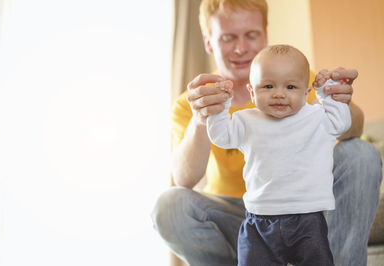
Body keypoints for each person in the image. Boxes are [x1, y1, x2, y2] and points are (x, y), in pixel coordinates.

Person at [152, 1, 383, 265]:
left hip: (305, 212)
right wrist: (201, 118)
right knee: (168, 204)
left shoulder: (296, 79)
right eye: (228, 38)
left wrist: (339, 103)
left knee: (361, 152)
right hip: (247, 216)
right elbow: (183, 179)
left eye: (251, 35)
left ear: (265, 35)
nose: (241, 48)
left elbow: (351, 129)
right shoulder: (196, 102)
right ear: (208, 43)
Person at [207, 44, 350, 265]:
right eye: (268, 86)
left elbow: (342, 123)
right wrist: (220, 108)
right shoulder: (246, 120)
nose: (279, 94)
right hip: (259, 219)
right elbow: (220, 137)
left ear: (306, 92)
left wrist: (327, 95)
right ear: (252, 92)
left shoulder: (316, 117)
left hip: (308, 217)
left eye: (291, 86)